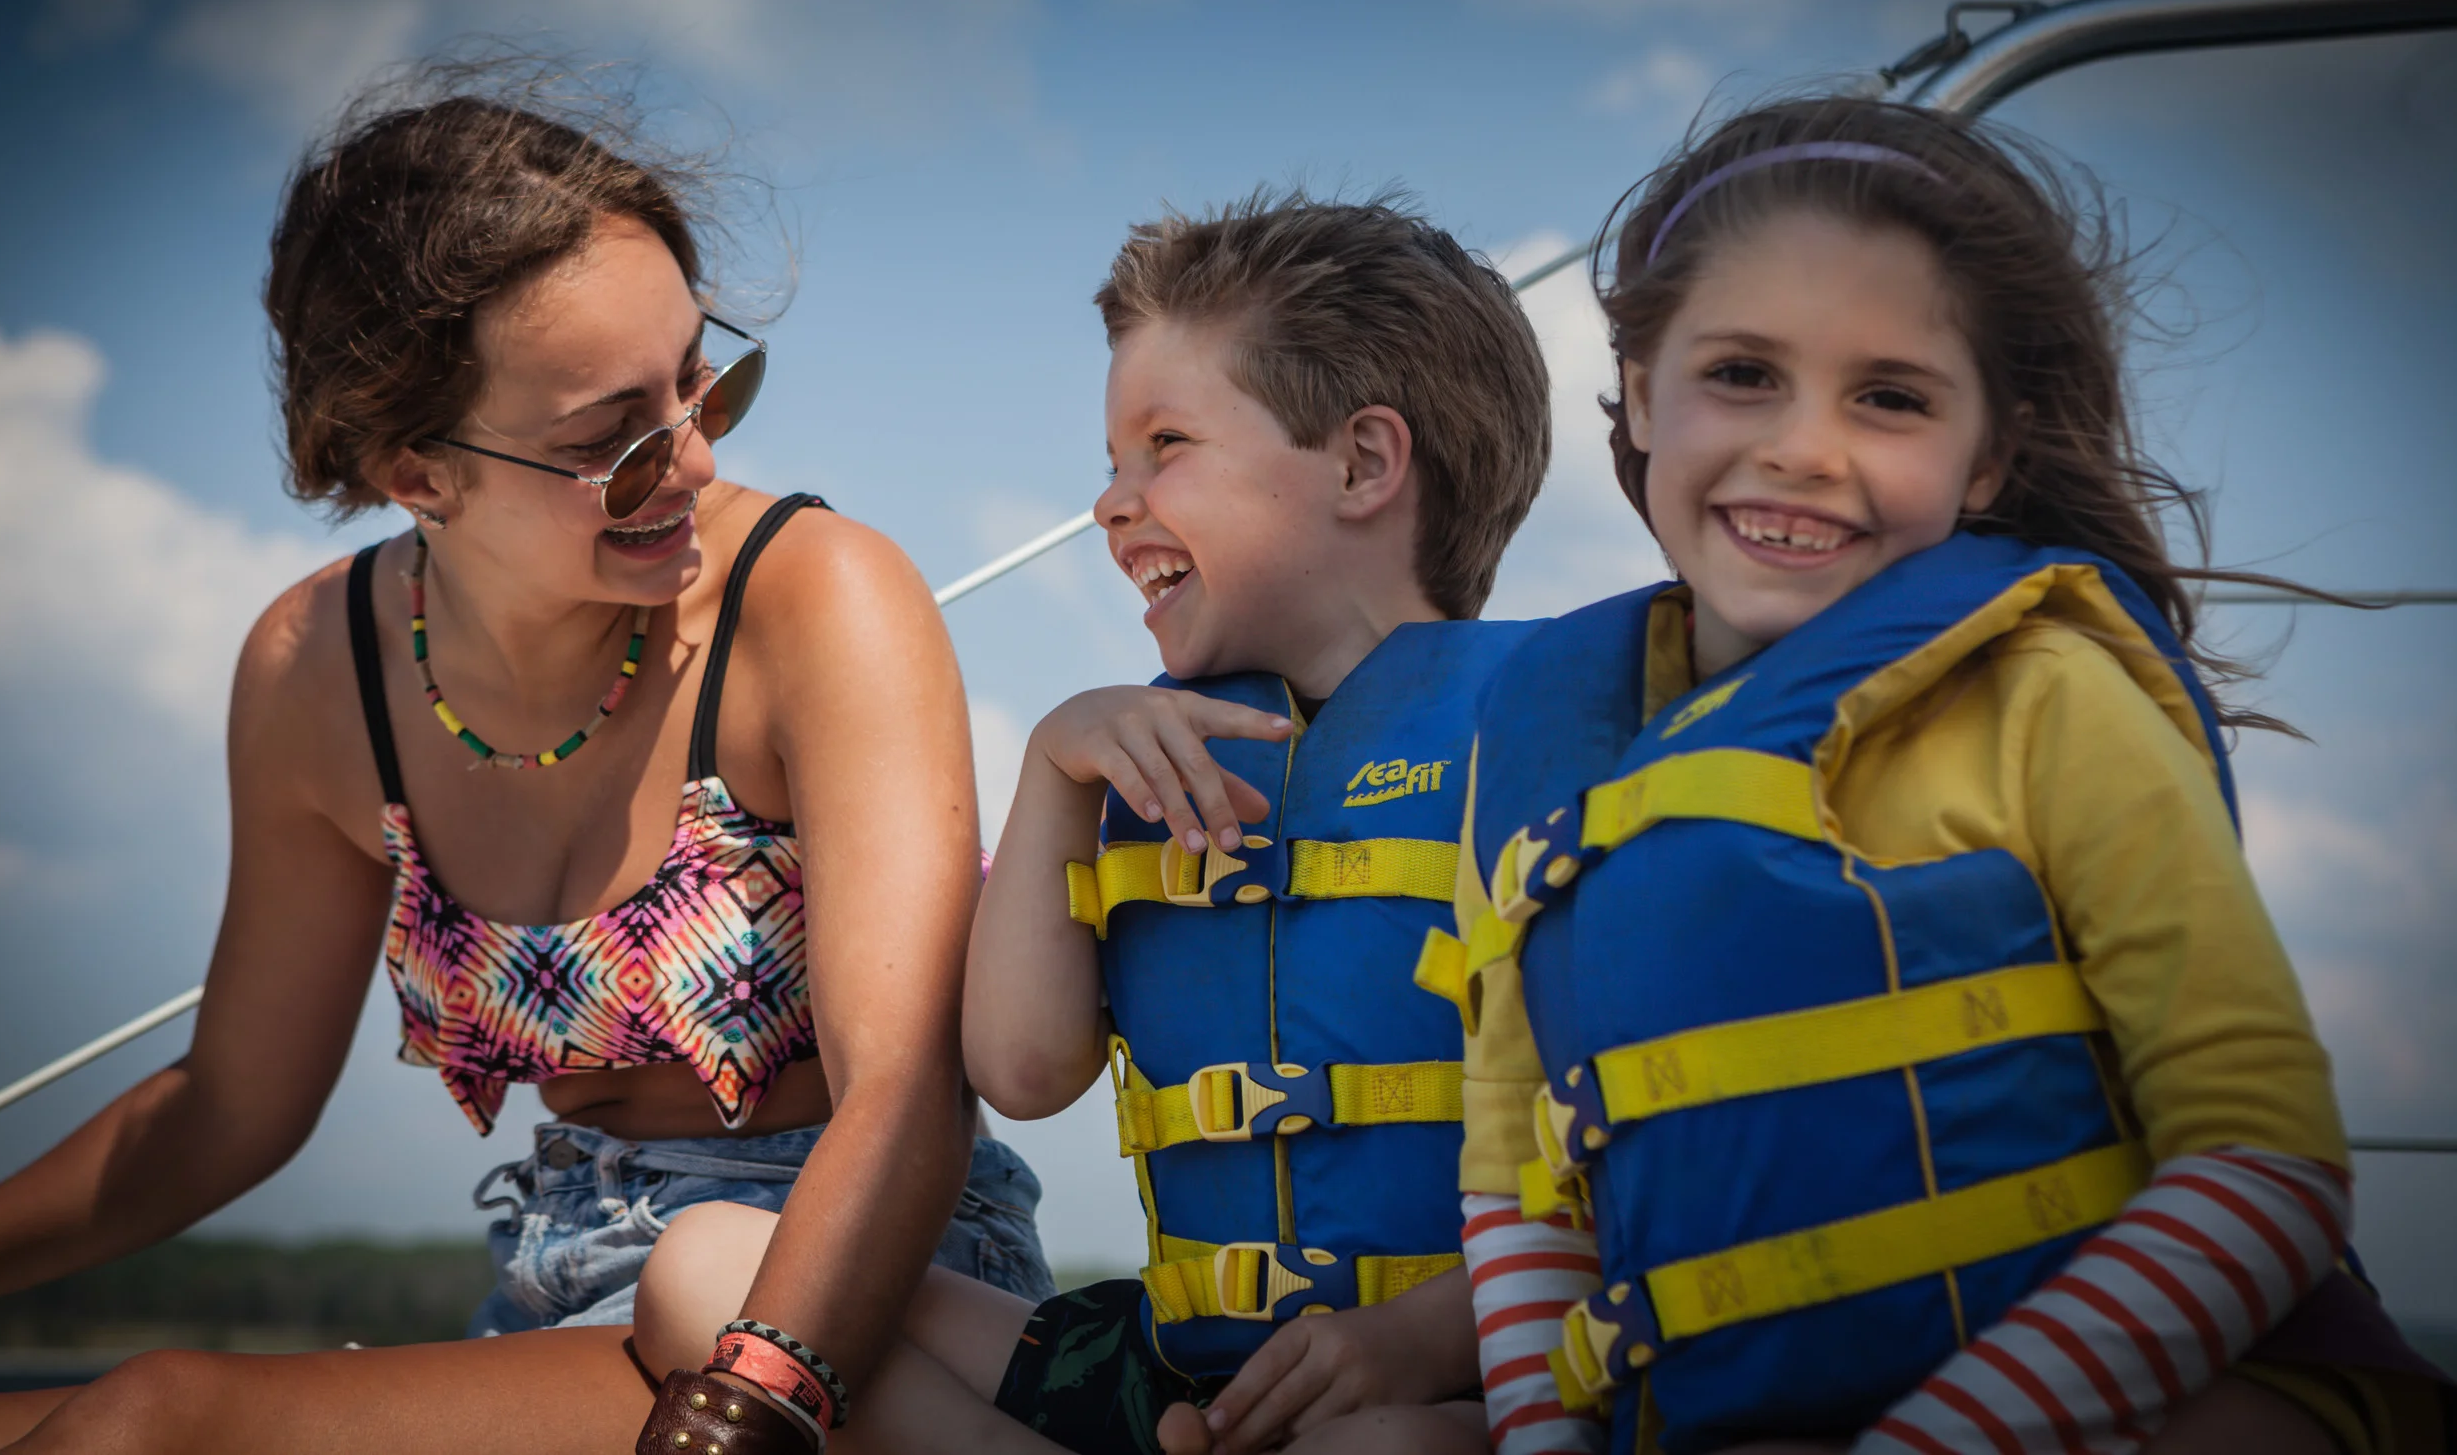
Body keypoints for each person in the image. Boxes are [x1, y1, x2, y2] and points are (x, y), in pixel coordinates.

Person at [0, 70, 1050, 1455]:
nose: (695, 462)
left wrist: (750, 1406)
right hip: (553, 1271)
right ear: (418, 474)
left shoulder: (816, 594)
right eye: (613, 442)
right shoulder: (318, 672)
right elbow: (226, 1109)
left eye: (703, 381)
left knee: (157, 1419)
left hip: (847, 1287)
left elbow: (906, 1097)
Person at [1441, 96, 2450, 1455]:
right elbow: (1515, 1173)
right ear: (1640, 389)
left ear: (1991, 457)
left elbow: (2266, 1162)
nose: (1804, 446)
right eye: (1741, 372)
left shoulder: (2057, 696)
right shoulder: (1539, 745)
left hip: (2165, 1395)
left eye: (1890, 397)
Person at [631, 191, 1556, 1453]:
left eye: (1164, 445)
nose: (1111, 504)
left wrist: (1422, 1339)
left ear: (1360, 463)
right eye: (1112, 462)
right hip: (1174, 1370)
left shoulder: (1547, 731)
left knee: (1392, 1446)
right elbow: (1021, 1069)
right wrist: (1054, 774)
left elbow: (1636, 1164)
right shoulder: (1131, 754)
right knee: (700, 1266)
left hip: (1468, 1366)